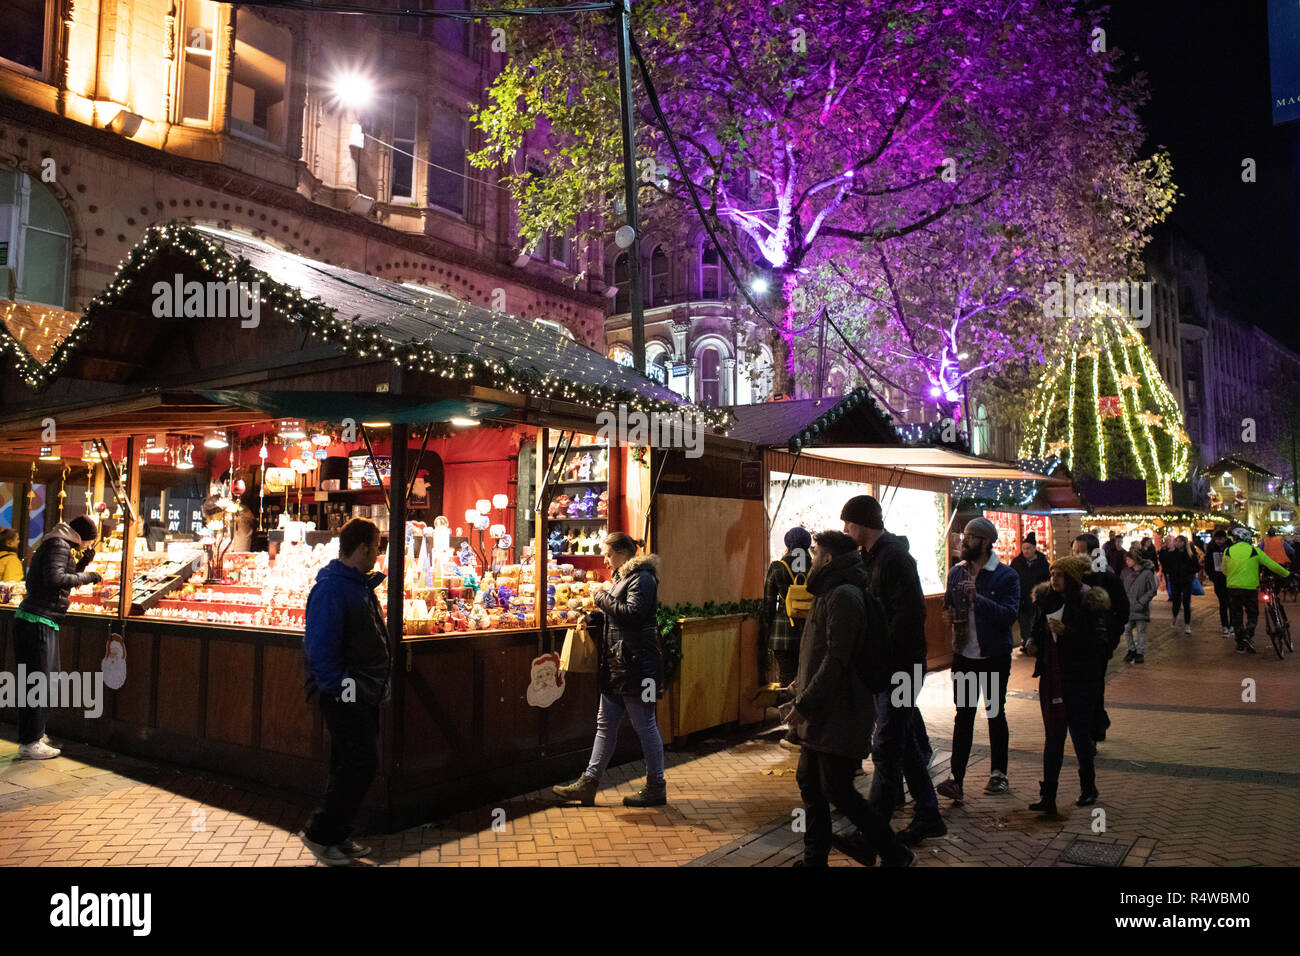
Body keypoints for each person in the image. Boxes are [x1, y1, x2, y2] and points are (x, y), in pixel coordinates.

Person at [785, 530, 915, 867]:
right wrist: (799, 683)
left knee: (838, 790)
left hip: (841, 710)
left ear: (828, 559)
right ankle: (815, 859)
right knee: (811, 784)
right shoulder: (831, 591)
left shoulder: (843, 594)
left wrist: (805, 703)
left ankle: (896, 854)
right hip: (827, 708)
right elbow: (820, 652)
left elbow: (838, 658)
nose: (810, 559)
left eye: (815, 553)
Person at [841, 495, 942, 845]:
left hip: (900, 667)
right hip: (892, 666)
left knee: (885, 745)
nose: (845, 529)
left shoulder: (894, 557)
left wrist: (886, 656)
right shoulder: (873, 558)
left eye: (849, 523)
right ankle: (929, 814)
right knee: (904, 743)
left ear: (864, 523)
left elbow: (909, 615)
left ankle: (873, 830)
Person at [300, 517, 391, 866]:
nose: (378, 555)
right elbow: (322, 647)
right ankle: (320, 834)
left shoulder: (356, 585)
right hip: (348, 689)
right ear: (363, 548)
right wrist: (342, 691)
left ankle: (337, 834)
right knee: (361, 762)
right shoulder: (334, 589)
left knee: (348, 764)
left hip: (362, 689)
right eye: (377, 547)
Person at [554, 533, 667, 808]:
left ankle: (656, 786)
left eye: (608, 553)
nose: (604, 558)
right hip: (620, 664)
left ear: (623, 553)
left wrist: (600, 596)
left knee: (645, 725)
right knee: (605, 725)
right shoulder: (625, 578)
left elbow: (633, 614)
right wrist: (593, 615)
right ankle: (589, 783)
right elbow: (620, 615)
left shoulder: (643, 578)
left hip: (637, 664)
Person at [935, 517, 1020, 803]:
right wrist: (947, 615)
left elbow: (1009, 615)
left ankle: (999, 773)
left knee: (995, 713)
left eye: (970, 536)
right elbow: (948, 604)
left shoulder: (1006, 576)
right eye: (964, 535)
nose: (963, 540)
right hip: (964, 656)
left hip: (994, 656)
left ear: (985, 542)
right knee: (964, 716)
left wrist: (979, 600)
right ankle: (956, 779)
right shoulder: (956, 573)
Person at [1024, 556, 1110, 815]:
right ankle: (1048, 796)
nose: (1054, 579)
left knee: (1080, 736)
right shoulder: (1046, 600)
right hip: (1052, 677)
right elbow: (1037, 630)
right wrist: (1031, 642)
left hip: (1081, 680)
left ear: (1072, 578)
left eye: (1060, 575)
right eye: (1052, 574)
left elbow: (1100, 645)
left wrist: (1068, 633)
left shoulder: (1089, 603)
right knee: (1053, 737)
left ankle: (1089, 788)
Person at [13, 515, 102, 759]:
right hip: (38, 620)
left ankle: (33, 736)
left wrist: (81, 566)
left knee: (40, 680)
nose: (86, 547)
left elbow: (58, 581)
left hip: (37, 619)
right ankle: (31, 742)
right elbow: (54, 580)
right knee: (41, 681)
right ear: (82, 536)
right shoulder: (60, 546)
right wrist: (88, 576)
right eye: (89, 542)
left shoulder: (58, 543)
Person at [1070, 534, 1127, 743]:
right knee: (1079, 687)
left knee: (1094, 686)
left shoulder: (1106, 577)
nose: (1076, 555)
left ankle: (1093, 730)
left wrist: (1110, 638)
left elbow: (1122, 610)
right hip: (1074, 644)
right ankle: (1097, 722)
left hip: (1097, 645)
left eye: (1080, 551)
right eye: (1074, 551)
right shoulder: (1069, 577)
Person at [760, 527, 813, 748]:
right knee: (807, 680)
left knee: (787, 681)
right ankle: (808, 729)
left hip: (783, 633)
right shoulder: (815, 565)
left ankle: (792, 732)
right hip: (809, 632)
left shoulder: (778, 567)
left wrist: (765, 632)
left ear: (788, 543)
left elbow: (768, 603)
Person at [1222, 527, 1290, 654]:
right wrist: (1287, 574)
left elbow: (1224, 570)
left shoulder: (1228, 551)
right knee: (1252, 614)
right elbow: (1271, 564)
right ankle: (1248, 635)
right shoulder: (1254, 550)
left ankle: (1240, 643)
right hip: (1250, 588)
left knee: (1236, 616)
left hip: (1233, 588)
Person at [1010, 532, 1050, 651]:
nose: (1026, 551)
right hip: (1021, 599)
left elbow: (1047, 579)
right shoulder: (1017, 562)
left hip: (1036, 599)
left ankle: (1032, 644)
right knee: (1023, 623)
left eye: (1028, 548)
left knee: (1034, 622)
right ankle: (1026, 643)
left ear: (1034, 549)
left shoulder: (1042, 562)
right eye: (1023, 548)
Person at [1120, 547, 1158, 664]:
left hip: (1140, 607)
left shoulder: (1147, 573)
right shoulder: (1126, 573)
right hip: (1129, 607)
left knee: (1141, 630)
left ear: (1135, 560)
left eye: (1128, 559)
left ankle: (1140, 652)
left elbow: (1152, 590)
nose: (1127, 562)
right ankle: (1131, 649)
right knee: (1127, 629)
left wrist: (1142, 602)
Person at [1163, 535, 1199, 633]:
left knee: (1186, 602)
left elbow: (1196, 567)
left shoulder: (1190, 555)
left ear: (1184, 543)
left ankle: (1187, 624)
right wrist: (1170, 573)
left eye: (1179, 541)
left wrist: (1188, 572)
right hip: (1175, 581)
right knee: (1176, 602)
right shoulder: (1172, 555)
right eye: (1176, 541)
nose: (1177, 543)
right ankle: (1174, 619)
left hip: (1186, 581)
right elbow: (1166, 565)